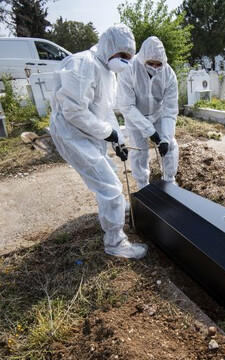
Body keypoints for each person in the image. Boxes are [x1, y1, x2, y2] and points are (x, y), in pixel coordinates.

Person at [49, 24, 147, 259]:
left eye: (128, 57)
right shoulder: (83, 64)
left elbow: (105, 112)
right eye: (122, 55)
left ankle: (113, 211)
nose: (124, 61)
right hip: (72, 135)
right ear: (109, 47)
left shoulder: (107, 72)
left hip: (88, 133)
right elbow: (73, 111)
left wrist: (118, 139)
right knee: (110, 187)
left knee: (110, 172)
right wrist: (108, 133)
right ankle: (115, 242)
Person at [117, 36, 179, 190]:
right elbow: (127, 106)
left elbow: (170, 108)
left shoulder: (169, 74)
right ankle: (143, 185)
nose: (154, 67)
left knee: (170, 145)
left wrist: (164, 138)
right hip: (135, 116)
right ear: (143, 59)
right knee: (139, 151)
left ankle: (169, 181)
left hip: (157, 114)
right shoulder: (128, 70)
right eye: (150, 64)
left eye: (158, 64)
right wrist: (150, 131)